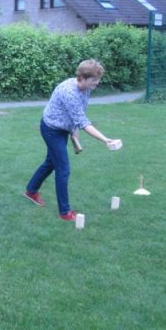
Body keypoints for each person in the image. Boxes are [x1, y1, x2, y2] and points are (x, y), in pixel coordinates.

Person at [24, 59, 120, 220]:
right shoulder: (69, 92)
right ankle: (65, 212)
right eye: (94, 80)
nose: (97, 83)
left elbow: (79, 114)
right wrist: (105, 140)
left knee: (51, 162)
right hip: (51, 129)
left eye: (98, 80)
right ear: (82, 77)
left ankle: (31, 191)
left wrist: (74, 132)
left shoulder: (86, 88)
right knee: (63, 169)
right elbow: (83, 122)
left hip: (64, 127)